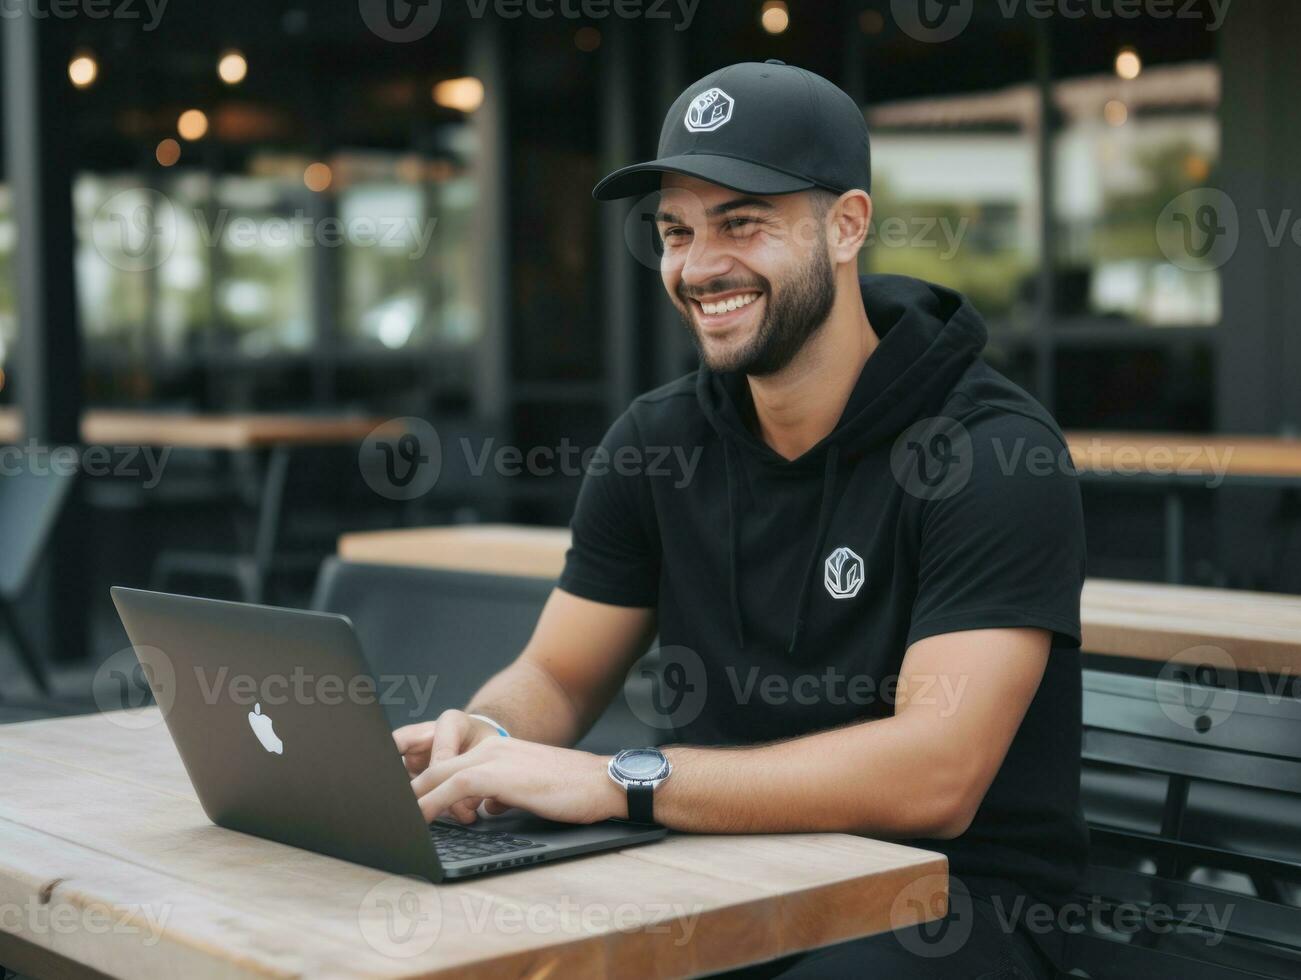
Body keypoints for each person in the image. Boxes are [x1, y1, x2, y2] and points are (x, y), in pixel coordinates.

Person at [394, 60, 1085, 979]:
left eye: (741, 222)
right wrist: (486, 736)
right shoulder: (657, 441)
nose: (699, 265)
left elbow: (937, 777)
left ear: (846, 226)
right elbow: (557, 673)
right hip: (714, 871)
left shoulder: (989, 451)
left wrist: (617, 783)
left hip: (949, 903)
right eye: (676, 231)